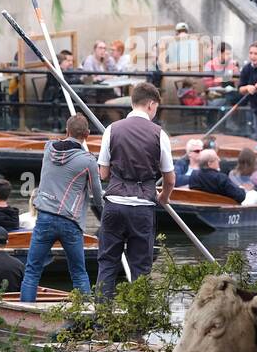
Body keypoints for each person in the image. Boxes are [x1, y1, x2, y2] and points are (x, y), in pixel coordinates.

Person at [96, 82, 174, 300]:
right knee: (140, 267)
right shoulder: (160, 134)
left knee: (108, 263)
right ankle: (138, 324)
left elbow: (103, 173)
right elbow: (169, 178)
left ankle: (103, 320)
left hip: (114, 203)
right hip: (143, 207)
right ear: (151, 104)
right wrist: (164, 197)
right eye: (156, 107)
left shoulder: (112, 129)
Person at [21, 114, 103, 300]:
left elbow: (57, 144)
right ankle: (87, 314)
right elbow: (97, 194)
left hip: (45, 218)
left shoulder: (48, 148)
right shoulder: (88, 161)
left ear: (67, 131)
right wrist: (105, 212)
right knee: (78, 272)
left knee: (32, 270)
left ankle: (25, 313)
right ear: (88, 135)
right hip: (70, 222)